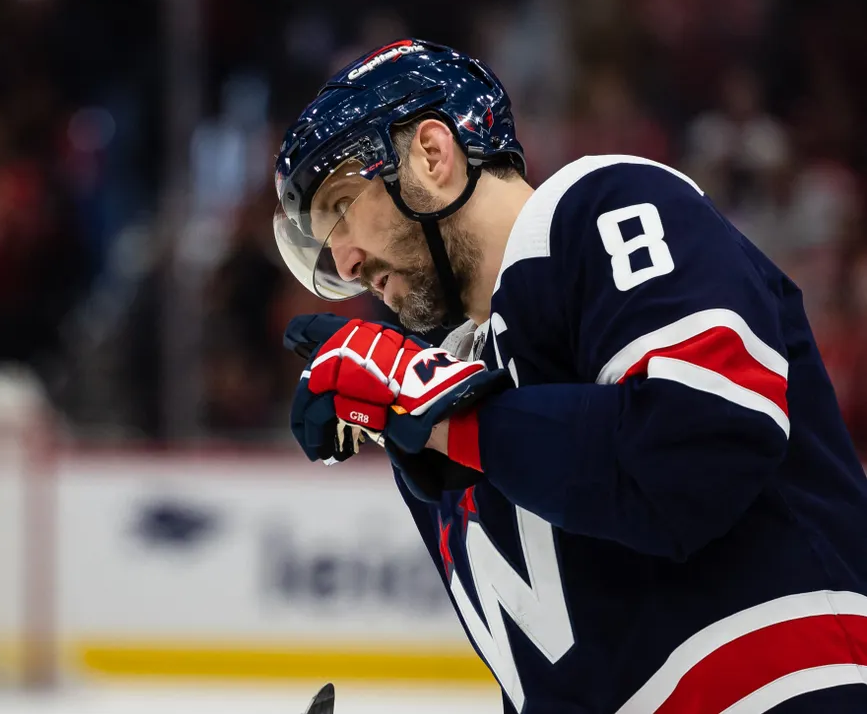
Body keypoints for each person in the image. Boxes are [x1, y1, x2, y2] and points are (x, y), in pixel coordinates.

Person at [273, 38, 867, 712]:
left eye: (342, 207)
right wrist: (435, 410)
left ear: (431, 156)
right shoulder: (431, 416)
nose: (343, 263)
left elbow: (694, 454)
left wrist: (440, 410)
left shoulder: (605, 204)